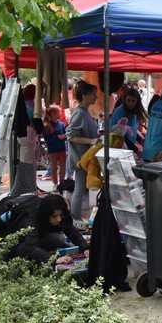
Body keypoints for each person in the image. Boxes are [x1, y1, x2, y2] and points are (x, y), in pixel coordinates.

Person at [9, 194, 89, 264]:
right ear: (46, 215)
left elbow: (70, 230)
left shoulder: (58, 212)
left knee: (58, 241)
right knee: (27, 250)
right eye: (54, 216)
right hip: (16, 239)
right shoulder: (31, 219)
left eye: (60, 215)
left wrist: (85, 248)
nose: (59, 219)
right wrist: (53, 259)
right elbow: (29, 247)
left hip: (37, 233)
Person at [66, 81, 99, 224]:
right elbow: (71, 136)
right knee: (79, 188)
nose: (96, 97)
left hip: (85, 157)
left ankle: (76, 217)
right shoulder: (79, 113)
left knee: (80, 187)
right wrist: (90, 141)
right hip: (80, 158)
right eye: (93, 95)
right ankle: (75, 217)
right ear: (85, 95)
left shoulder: (84, 112)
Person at [11, 84, 43, 197]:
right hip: (28, 137)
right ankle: (26, 190)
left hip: (24, 137)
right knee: (27, 164)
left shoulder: (23, 104)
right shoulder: (32, 105)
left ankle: (28, 189)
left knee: (27, 163)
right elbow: (37, 123)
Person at [110, 88, 147, 153]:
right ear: (125, 100)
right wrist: (132, 147)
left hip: (128, 145)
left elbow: (133, 129)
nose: (130, 103)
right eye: (128, 100)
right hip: (120, 146)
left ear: (137, 102)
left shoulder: (133, 112)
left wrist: (140, 139)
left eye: (133, 101)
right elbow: (119, 132)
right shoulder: (120, 111)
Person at [43, 105, 67, 188]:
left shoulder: (61, 124)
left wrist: (64, 136)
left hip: (62, 149)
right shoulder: (47, 125)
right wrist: (57, 137)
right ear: (53, 113)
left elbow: (65, 134)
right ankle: (55, 184)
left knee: (63, 166)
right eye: (58, 112)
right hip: (52, 150)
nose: (60, 114)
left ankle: (62, 182)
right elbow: (47, 140)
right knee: (54, 167)